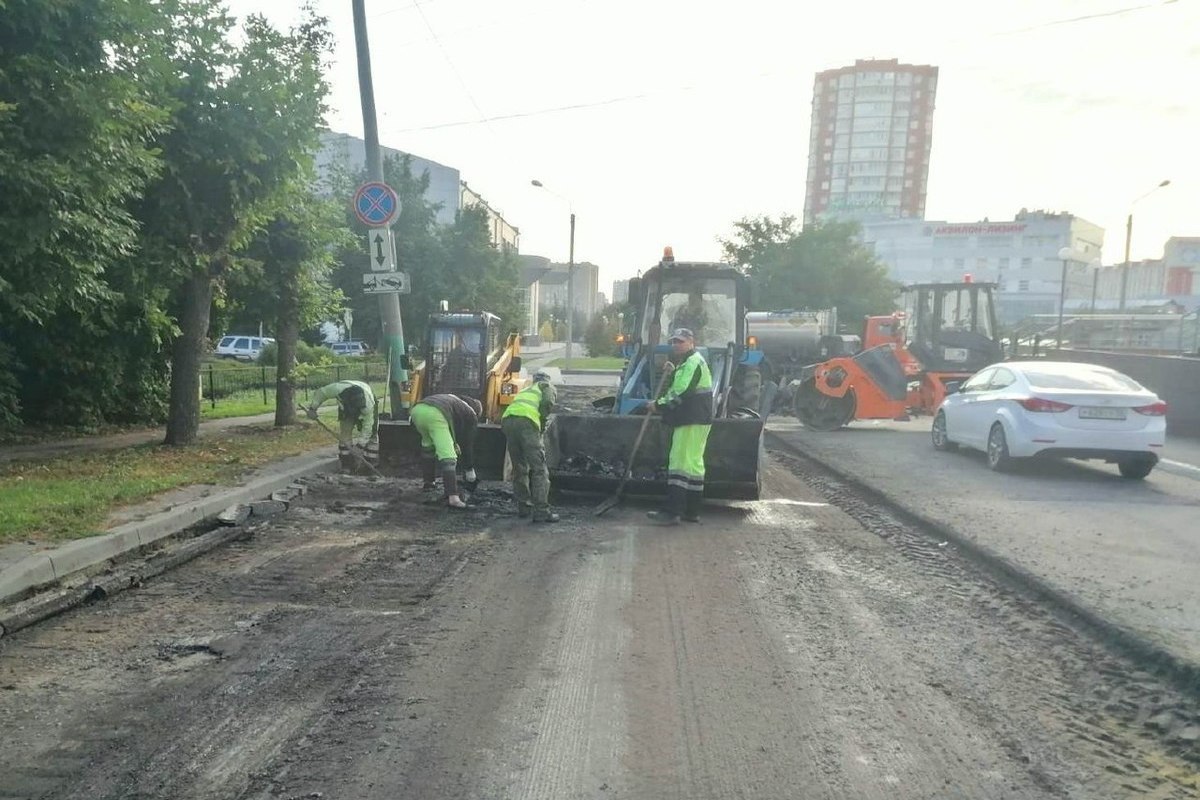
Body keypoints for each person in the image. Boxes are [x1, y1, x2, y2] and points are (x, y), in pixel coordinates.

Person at [646, 328, 713, 526]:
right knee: (693, 465)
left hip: (690, 419)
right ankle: (691, 511)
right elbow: (687, 385)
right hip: (700, 419)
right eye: (674, 341)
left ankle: (671, 512)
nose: (676, 344)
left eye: (681, 341)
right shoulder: (692, 362)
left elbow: (680, 391)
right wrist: (675, 369)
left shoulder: (691, 363)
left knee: (679, 464)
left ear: (691, 342)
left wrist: (658, 405)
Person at [501, 370, 559, 523]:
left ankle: (524, 507)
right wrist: (541, 423)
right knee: (539, 469)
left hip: (508, 421)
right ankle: (541, 511)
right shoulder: (546, 386)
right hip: (526, 424)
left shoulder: (526, 389)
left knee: (519, 467)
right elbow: (547, 403)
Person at [410, 393, 483, 509]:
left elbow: (454, 429)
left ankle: (429, 483)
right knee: (448, 456)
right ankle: (453, 498)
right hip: (436, 414)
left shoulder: (453, 400)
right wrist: (470, 474)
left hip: (417, 410)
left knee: (428, 446)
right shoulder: (471, 414)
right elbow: (467, 446)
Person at [305, 380, 377, 465]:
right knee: (345, 433)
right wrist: (313, 408)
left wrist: (360, 445)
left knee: (373, 434)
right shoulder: (337, 388)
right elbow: (321, 393)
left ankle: (370, 462)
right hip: (345, 407)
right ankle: (346, 463)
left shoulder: (368, 405)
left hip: (364, 403)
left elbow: (368, 427)